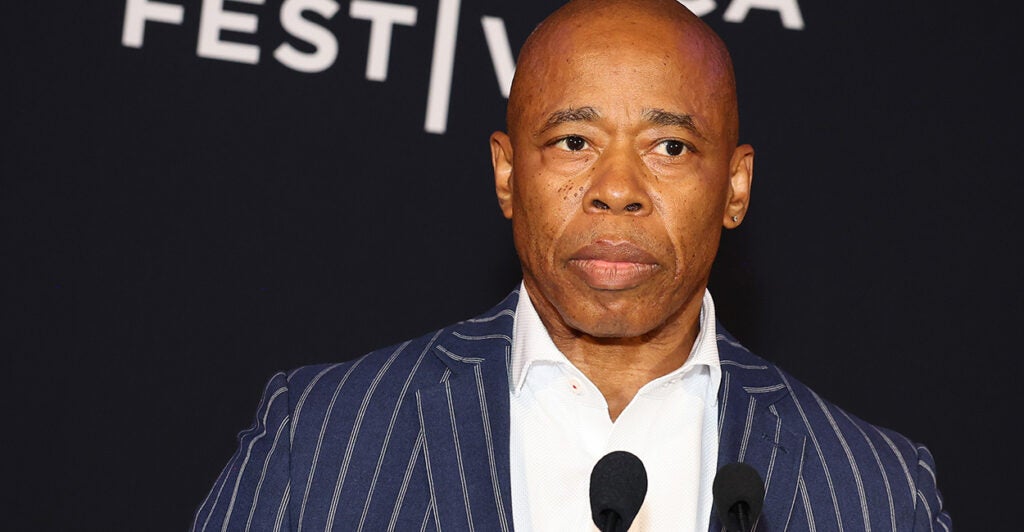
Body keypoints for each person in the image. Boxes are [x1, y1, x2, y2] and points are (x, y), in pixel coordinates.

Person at [192, 0, 951, 530]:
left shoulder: (875, 490)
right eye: (574, 143)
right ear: (506, 174)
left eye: (670, 148)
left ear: (736, 187)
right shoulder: (326, 438)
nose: (617, 190)